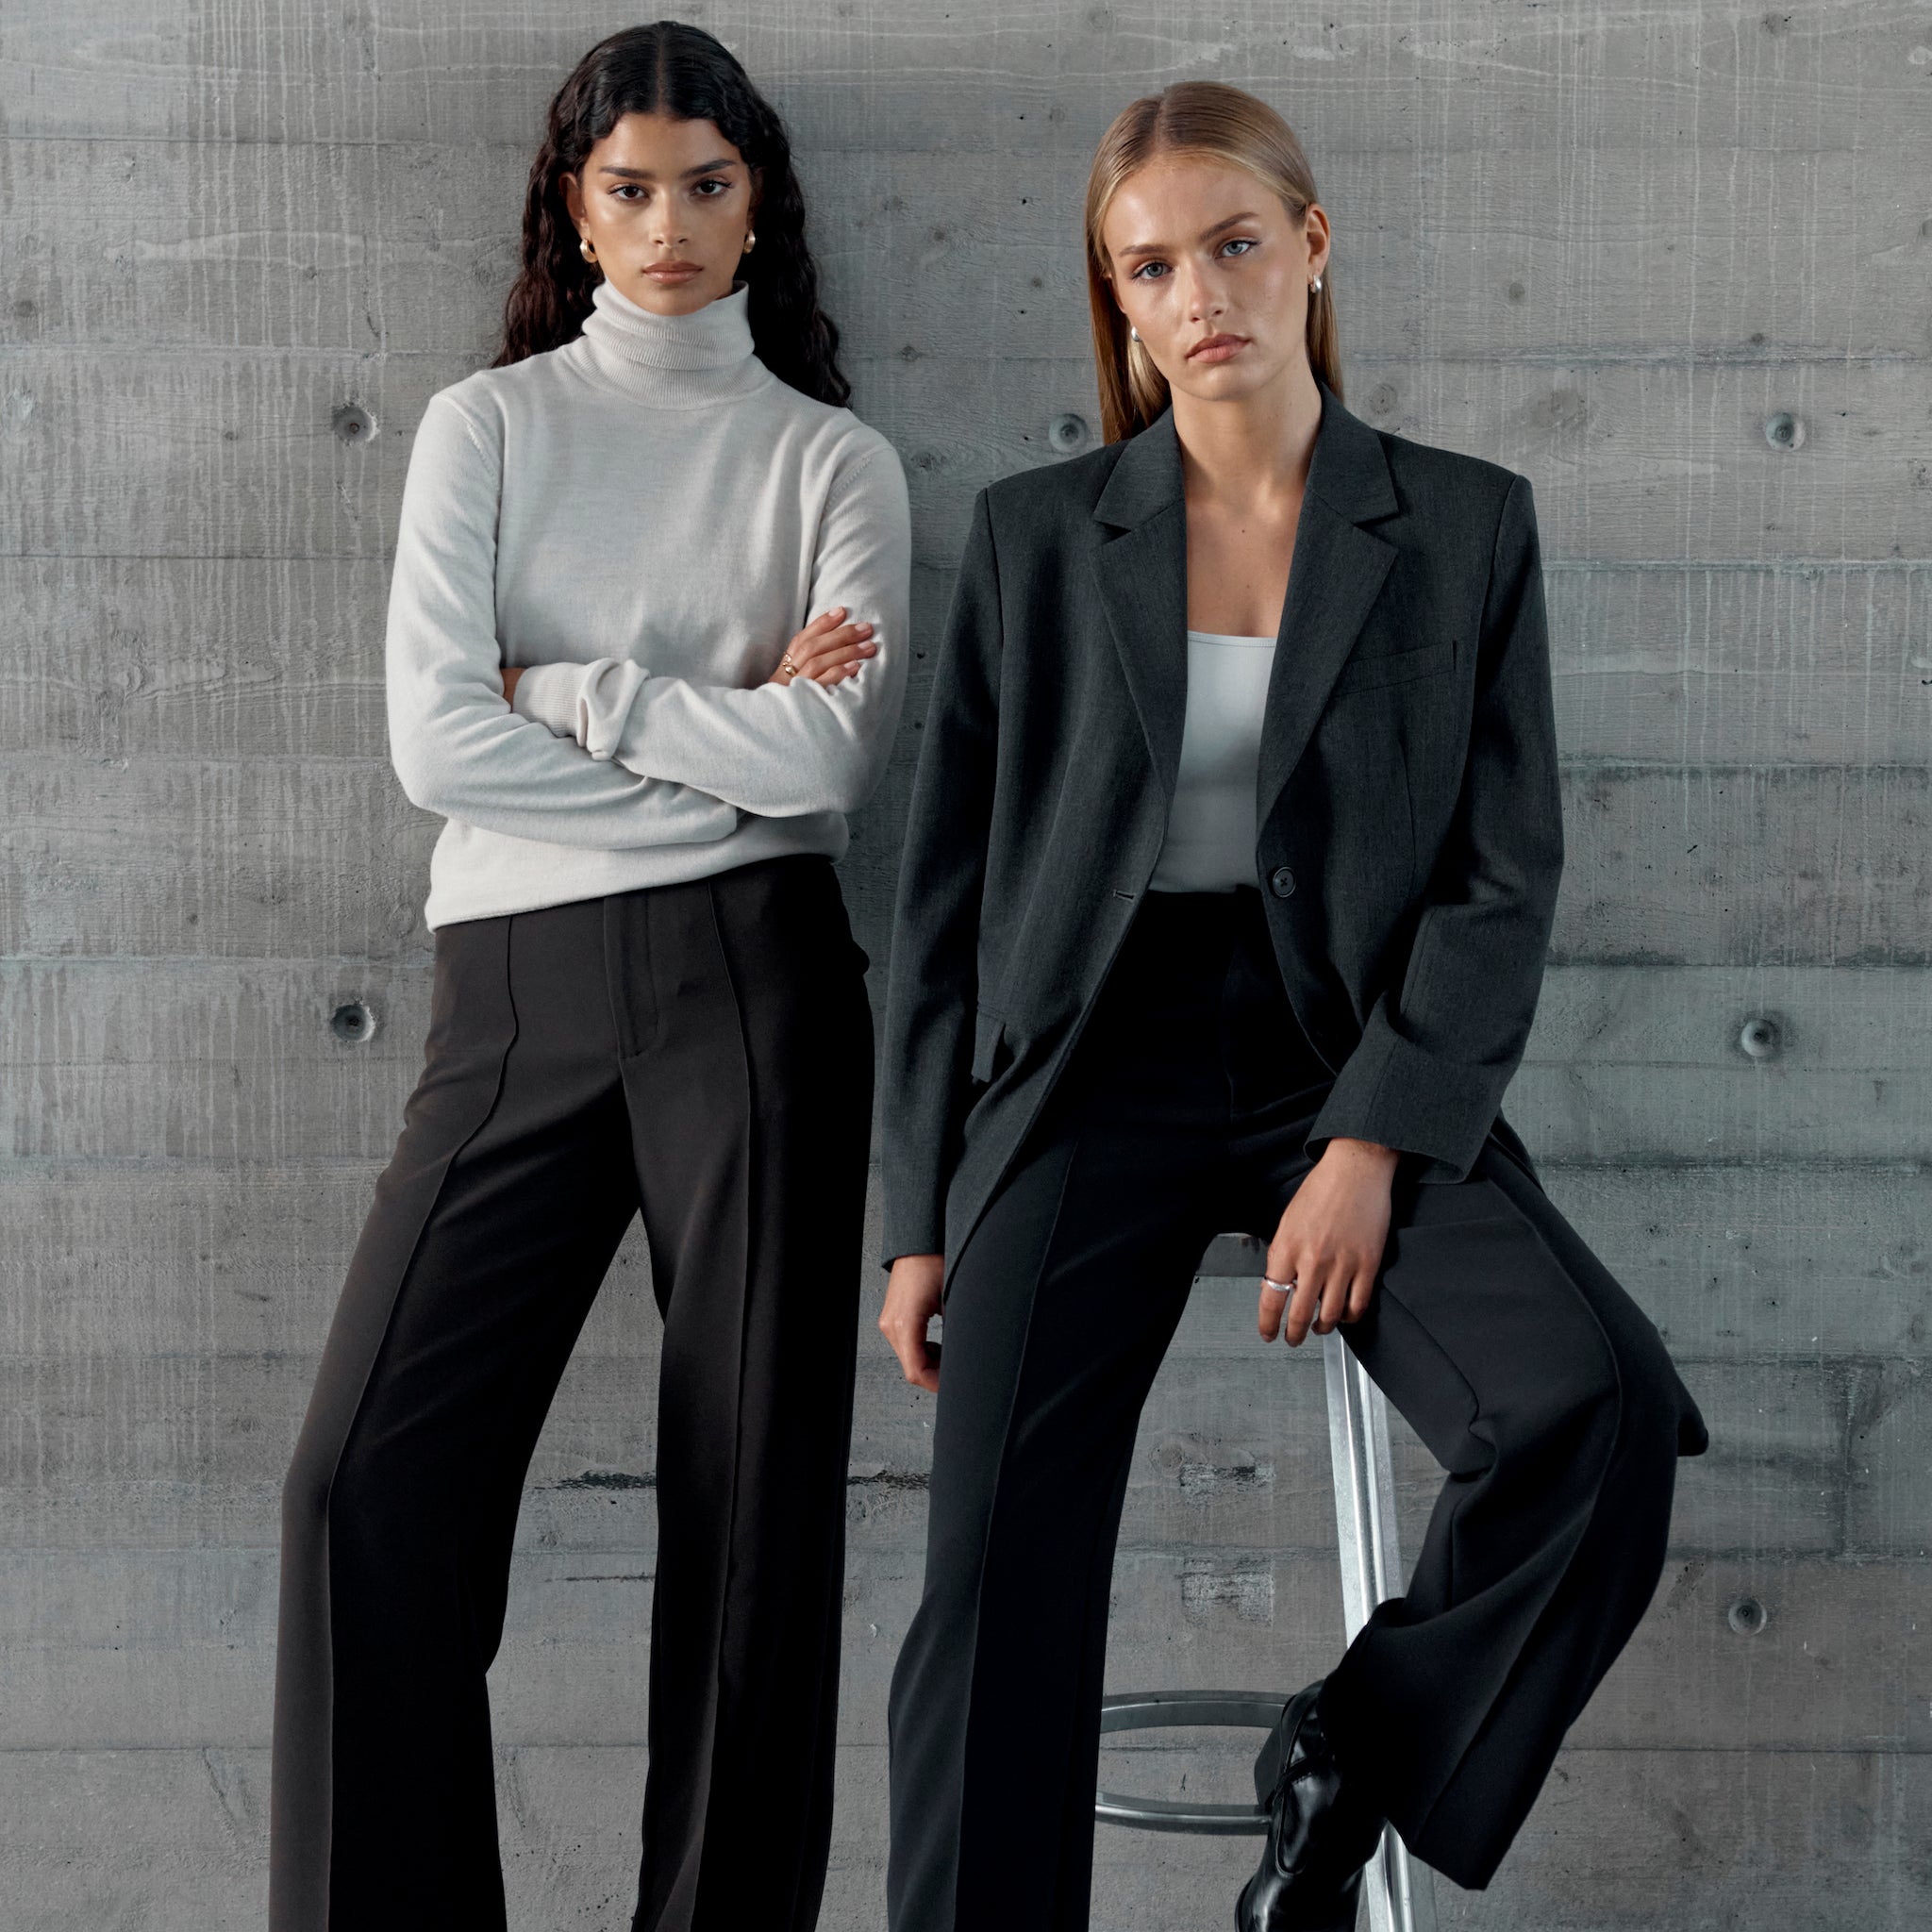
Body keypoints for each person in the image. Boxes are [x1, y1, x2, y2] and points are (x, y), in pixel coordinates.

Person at [875, 79, 1707, 1932]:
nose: (1197, 296)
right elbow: (938, 907)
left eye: (1231, 244)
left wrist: (1373, 1137)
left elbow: (1502, 879)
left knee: (1596, 1409)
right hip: (1084, 1067)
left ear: (1311, 246)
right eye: (1148, 268)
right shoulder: (1036, 538)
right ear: (1117, 300)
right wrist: (918, 1212)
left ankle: (1345, 1764)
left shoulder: (1464, 528)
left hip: (1352, 1048)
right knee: (993, 1571)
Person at [268, 24, 909, 1932]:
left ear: (757, 199)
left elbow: (828, 768)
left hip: (761, 985)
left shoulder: (828, 457)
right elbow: (434, 753)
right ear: (576, 205)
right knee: (356, 1491)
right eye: (628, 188)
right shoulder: (488, 428)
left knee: (750, 1529)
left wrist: (571, 690)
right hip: (511, 989)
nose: (669, 224)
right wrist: (715, 726)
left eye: (706, 184)